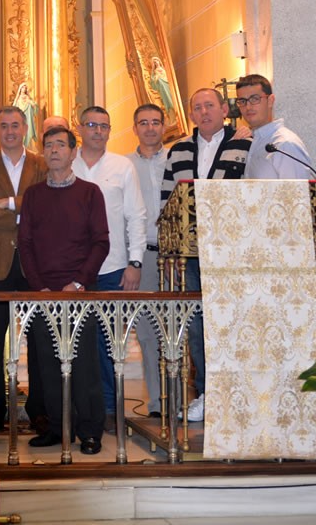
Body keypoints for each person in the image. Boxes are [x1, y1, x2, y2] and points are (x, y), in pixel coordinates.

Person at [17, 126, 112, 456]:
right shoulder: (33, 195)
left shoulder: (90, 193)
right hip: (43, 293)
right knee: (47, 363)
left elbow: (101, 242)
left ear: (74, 153)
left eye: (61, 145)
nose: (54, 150)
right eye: (48, 145)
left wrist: (79, 283)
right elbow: (25, 243)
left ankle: (89, 430)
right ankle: (57, 428)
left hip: (79, 292)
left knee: (83, 363)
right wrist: (38, 286)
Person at [160, 88, 252, 423]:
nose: (203, 112)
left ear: (224, 109)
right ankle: (205, 394)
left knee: (232, 323)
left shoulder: (245, 142)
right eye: (196, 107)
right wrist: (169, 248)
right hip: (192, 254)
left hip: (233, 254)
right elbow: (166, 200)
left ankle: (236, 393)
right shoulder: (179, 148)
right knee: (199, 326)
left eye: (209, 105)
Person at [0, 106, 47, 437]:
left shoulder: (41, 164)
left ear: (25, 127)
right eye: (4, 126)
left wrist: (8, 203)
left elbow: (45, 207)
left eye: (16, 125)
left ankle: (39, 410)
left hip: (34, 265)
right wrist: (23, 208)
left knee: (39, 341)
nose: (10, 131)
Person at [72, 106, 147, 427]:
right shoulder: (64, 162)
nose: (98, 131)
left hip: (113, 268)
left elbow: (136, 216)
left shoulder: (122, 166)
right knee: (73, 343)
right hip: (72, 273)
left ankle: (108, 411)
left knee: (109, 345)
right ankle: (76, 409)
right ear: (80, 129)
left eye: (104, 126)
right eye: (92, 125)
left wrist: (135, 262)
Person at [128, 103, 168, 418]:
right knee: (147, 333)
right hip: (144, 255)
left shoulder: (179, 158)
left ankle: (184, 400)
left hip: (179, 256)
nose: (150, 128)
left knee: (181, 330)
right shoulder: (124, 165)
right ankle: (157, 403)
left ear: (164, 126)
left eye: (156, 122)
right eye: (144, 122)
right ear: (135, 128)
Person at [236, 74, 315, 179]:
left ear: (270, 101)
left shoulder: (284, 144)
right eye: (242, 101)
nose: (248, 107)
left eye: (254, 99)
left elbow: (296, 193)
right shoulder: (253, 141)